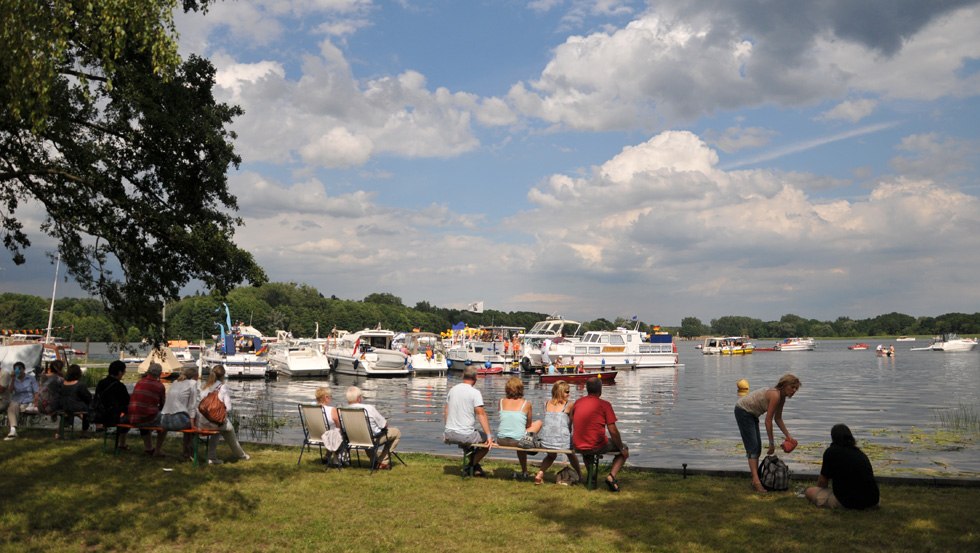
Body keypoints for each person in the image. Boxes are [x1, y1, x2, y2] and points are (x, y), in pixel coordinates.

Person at [733, 373, 801, 493]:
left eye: (796, 388)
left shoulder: (782, 398)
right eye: (792, 387)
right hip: (743, 411)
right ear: (784, 385)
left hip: (752, 414)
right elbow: (768, 420)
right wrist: (771, 443)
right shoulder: (775, 395)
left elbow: (778, 418)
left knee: (756, 447)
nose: (794, 391)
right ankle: (756, 481)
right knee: (753, 447)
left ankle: (755, 478)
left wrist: (788, 436)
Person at [570, 377, 629, 492]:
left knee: (586, 449)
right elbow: (613, 430)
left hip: (578, 444)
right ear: (600, 390)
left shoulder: (578, 403)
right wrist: (621, 447)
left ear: (587, 389)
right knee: (624, 449)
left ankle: (591, 477)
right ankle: (611, 477)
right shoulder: (605, 405)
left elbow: (572, 421)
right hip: (596, 445)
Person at [805, 424, 880, 509]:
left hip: (849, 502)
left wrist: (818, 491)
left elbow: (822, 482)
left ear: (833, 437)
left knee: (809, 491)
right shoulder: (859, 453)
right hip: (873, 501)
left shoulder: (831, 452)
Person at [443, 366, 494, 477]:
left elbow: (446, 411)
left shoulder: (452, 390)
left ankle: (476, 468)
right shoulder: (474, 392)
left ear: (463, 376)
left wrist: (447, 428)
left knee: (470, 439)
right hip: (464, 435)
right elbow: (481, 414)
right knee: (486, 441)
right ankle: (470, 465)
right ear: (475, 378)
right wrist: (489, 436)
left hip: (449, 433)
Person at [534, 380, 583, 485]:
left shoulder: (546, 403)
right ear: (560, 392)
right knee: (571, 454)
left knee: (551, 456)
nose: (569, 394)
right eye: (567, 391)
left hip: (546, 440)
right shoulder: (569, 405)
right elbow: (570, 424)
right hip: (562, 441)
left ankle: (539, 474)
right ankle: (580, 475)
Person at [198, 365, 249, 464]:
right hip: (215, 422)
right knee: (228, 429)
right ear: (223, 375)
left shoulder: (204, 386)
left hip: (201, 422)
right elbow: (229, 408)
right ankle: (241, 455)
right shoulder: (222, 387)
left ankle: (212, 458)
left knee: (218, 430)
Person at [495, 376, 543, 480]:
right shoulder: (526, 404)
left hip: (501, 439)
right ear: (521, 389)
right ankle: (535, 445)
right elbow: (528, 425)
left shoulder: (501, 402)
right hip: (518, 441)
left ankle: (524, 470)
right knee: (538, 423)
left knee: (519, 434)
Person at [346, 386, 400, 469]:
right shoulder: (368, 408)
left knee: (366, 434)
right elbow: (384, 425)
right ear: (359, 398)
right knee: (396, 433)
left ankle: (374, 461)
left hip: (353, 439)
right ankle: (383, 461)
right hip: (370, 439)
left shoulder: (343, 410)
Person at [128, 363, 168, 456]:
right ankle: (157, 450)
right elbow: (163, 405)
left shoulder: (140, 382)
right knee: (165, 423)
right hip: (144, 417)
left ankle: (148, 448)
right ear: (159, 374)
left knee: (146, 413)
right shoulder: (160, 386)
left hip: (133, 416)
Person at [161, 366, 200, 460]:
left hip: (164, 420)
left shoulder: (175, 382)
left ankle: (186, 452)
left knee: (187, 419)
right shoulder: (193, 383)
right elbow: (192, 406)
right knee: (193, 422)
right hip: (176, 421)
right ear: (196, 376)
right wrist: (192, 424)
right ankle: (189, 452)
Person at [92, 360, 130, 449]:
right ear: (120, 372)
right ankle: (122, 443)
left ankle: (121, 443)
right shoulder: (120, 386)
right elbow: (126, 402)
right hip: (112, 417)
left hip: (99, 416)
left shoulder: (101, 383)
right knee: (128, 418)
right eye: (124, 371)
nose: (124, 374)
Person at [3, 362, 39, 440]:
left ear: (24, 369)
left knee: (12, 408)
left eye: (20, 369)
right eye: (16, 369)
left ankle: (13, 430)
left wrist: (35, 403)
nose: (18, 371)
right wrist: (12, 379)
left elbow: (36, 392)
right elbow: (10, 391)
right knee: (13, 406)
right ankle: (13, 430)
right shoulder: (13, 379)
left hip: (28, 401)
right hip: (16, 400)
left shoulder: (31, 378)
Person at [59, 364, 93, 432]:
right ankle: (85, 429)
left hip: (62, 405)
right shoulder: (79, 385)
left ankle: (66, 423)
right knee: (88, 407)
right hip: (74, 406)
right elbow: (88, 397)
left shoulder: (62, 383)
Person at [314, 386, 344, 463]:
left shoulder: (310, 407)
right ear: (326, 397)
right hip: (327, 436)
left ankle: (327, 455)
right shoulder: (331, 410)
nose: (331, 398)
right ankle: (337, 458)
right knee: (343, 434)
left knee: (332, 432)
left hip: (315, 435)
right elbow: (339, 425)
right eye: (331, 397)